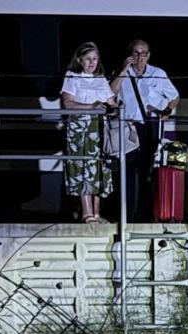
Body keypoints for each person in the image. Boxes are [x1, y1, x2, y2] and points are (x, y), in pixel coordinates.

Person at [109, 39, 180, 223]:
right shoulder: (121, 74)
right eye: (135, 53)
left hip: (149, 125)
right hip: (128, 128)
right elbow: (110, 94)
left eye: (143, 53)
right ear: (129, 54)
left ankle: (146, 214)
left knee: (147, 171)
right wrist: (123, 71)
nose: (139, 57)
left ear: (149, 55)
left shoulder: (158, 73)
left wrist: (167, 112)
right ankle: (128, 215)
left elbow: (174, 96)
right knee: (128, 171)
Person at [61, 41, 117, 224]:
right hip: (80, 128)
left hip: (100, 129)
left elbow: (111, 101)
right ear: (80, 60)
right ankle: (87, 213)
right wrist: (91, 107)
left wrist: (113, 108)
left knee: (100, 168)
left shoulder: (100, 79)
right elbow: (67, 103)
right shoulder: (72, 76)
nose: (92, 63)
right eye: (88, 59)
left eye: (95, 59)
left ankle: (98, 213)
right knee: (83, 167)